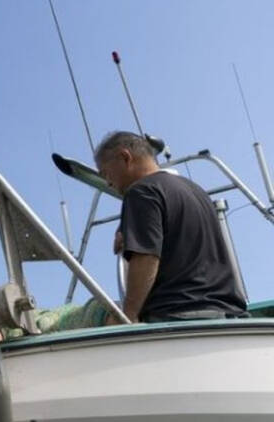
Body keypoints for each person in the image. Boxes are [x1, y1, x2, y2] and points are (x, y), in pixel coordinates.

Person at [95, 131, 247, 324]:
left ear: (125, 157)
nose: (108, 182)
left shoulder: (140, 191)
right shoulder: (196, 191)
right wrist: (127, 227)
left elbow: (146, 257)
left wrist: (128, 315)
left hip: (178, 316)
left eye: (106, 173)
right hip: (227, 316)